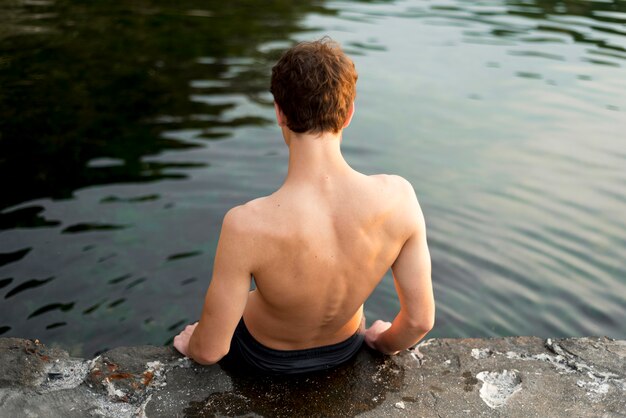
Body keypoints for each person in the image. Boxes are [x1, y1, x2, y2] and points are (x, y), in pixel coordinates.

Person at [173, 37, 434, 375]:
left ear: (279, 113)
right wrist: (381, 343)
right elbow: (419, 321)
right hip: (345, 350)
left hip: (261, 357)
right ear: (349, 113)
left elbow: (210, 351)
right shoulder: (399, 198)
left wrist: (192, 342)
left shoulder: (246, 224)